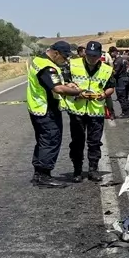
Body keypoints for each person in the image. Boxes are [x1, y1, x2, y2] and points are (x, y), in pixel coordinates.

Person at [27, 41, 82, 188]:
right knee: (51, 140)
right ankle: (44, 175)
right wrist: (78, 92)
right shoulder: (48, 67)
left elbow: (51, 84)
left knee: (43, 141)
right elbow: (57, 89)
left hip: (37, 108)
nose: (66, 60)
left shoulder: (39, 60)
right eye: (65, 57)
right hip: (46, 110)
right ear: (56, 53)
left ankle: (38, 174)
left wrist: (66, 84)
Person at [64, 41, 115, 182]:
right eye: (89, 55)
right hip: (77, 110)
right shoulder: (73, 64)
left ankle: (93, 169)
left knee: (95, 142)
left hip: (96, 111)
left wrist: (104, 94)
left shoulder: (107, 69)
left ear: (100, 55)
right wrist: (75, 90)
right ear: (85, 53)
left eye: (95, 56)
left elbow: (111, 87)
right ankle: (77, 170)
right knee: (77, 142)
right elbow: (65, 82)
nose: (92, 58)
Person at [107, 46, 129, 117]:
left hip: (120, 80)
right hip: (126, 78)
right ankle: (127, 112)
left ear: (114, 52)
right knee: (125, 96)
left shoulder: (117, 61)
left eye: (111, 53)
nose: (111, 55)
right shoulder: (123, 59)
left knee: (121, 96)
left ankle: (125, 112)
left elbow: (115, 72)